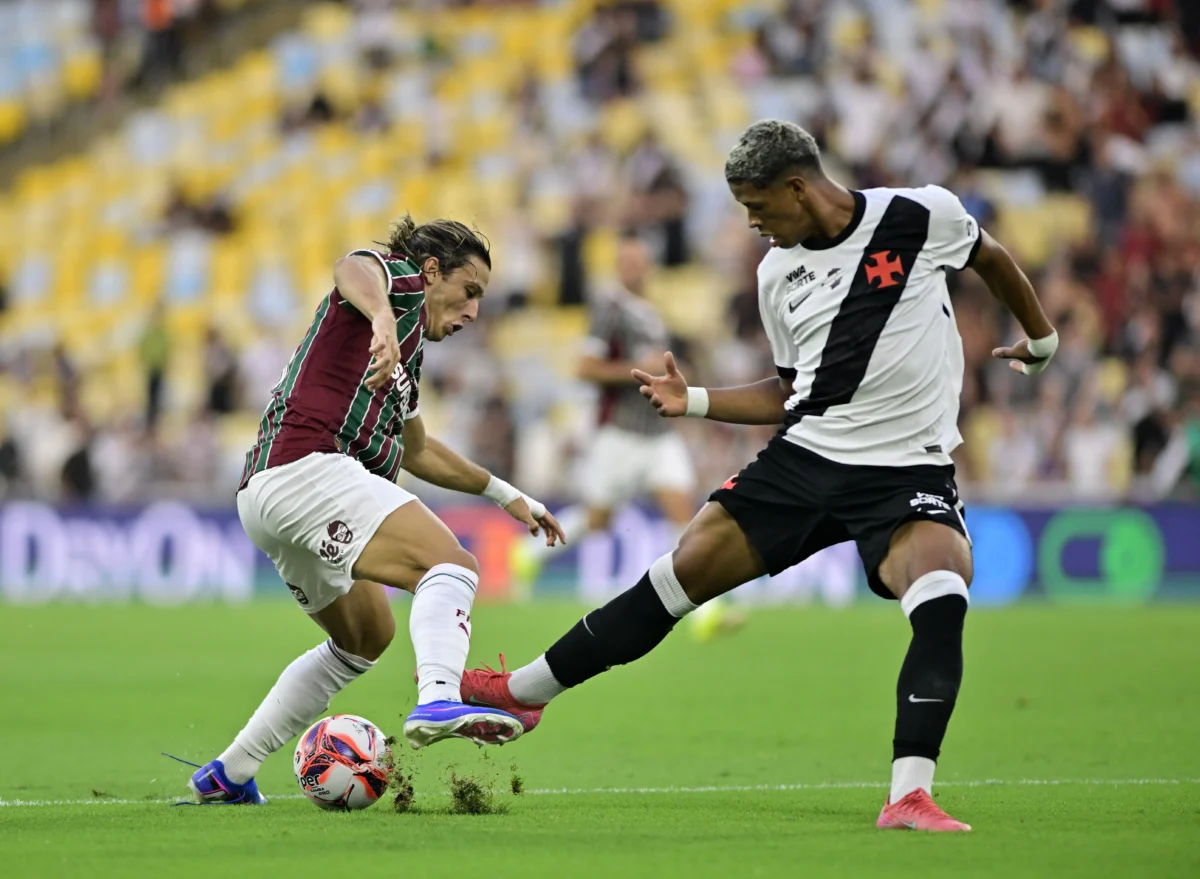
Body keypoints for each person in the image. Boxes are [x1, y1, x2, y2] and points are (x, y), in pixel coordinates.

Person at [452, 120, 1059, 832]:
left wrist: (1041, 336)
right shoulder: (778, 274)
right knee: (679, 574)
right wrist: (697, 401)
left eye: (758, 205)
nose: (752, 222)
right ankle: (525, 691)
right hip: (806, 459)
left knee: (942, 586)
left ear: (797, 188)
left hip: (906, 469)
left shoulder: (919, 216)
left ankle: (908, 794)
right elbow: (793, 390)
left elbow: (991, 257)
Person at [186, 215, 565, 805]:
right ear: (433, 271)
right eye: (469, 293)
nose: (472, 313)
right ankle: (439, 699)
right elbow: (351, 267)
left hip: (268, 494)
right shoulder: (398, 287)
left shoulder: (404, 364)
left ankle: (228, 775)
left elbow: (420, 452)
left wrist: (508, 495)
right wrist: (385, 314)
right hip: (307, 468)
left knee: (365, 638)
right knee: (453, 567)